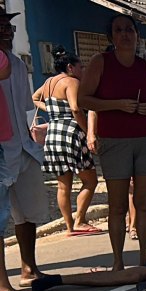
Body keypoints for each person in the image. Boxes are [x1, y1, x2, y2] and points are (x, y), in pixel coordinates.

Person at [79, 14, 146, 272]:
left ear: (137, 34)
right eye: (119, 30)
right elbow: (83, 100)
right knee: (118, 206)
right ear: (111, 36)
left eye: (129, 29)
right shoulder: (100, 62)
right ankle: (118, 262)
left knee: (144, 204)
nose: (125, 34)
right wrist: (117, 105)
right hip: (114, 141)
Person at [0, 10, 51, 289]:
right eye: (1, 26)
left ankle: (29, 267)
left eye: (9, 26)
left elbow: (23, 108)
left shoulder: (18, 65)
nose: (8, 31)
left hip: (23, 147)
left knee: (28, 212)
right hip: (2, 150)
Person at [32, 47, 100, 238]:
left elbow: (35, 98)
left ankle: (70, 227)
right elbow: (76, 109)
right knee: (90, 180)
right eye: (80, 66)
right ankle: (80, 220)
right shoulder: (71, 82)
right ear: (70, 67)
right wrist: (88, 131)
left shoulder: (49, 82)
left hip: (53, 134)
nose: (83, 70)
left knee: (63, 186)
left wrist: (53, 110)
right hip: (71, 134)